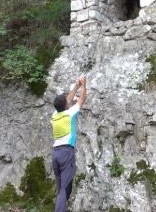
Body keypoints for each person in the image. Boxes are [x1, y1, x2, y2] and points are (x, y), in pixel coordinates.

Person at [51, 76, 87, 212]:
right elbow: (81, 100)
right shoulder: (69, 114)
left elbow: (67, 101)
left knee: (63, 189)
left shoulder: (55, 115)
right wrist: (84, 85)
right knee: (64, 189)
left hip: (56, 154)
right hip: (66, 154)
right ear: (66, 106)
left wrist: (76, 86)